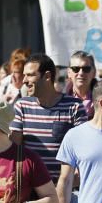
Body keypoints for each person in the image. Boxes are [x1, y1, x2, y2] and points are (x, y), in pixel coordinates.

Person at [11, 53, 86, 186]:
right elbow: (13, 150)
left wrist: (68, 184)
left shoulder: (74, 106)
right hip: (29, 189)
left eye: (30, 75)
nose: (24, 80)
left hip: (63, 190)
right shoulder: (21, 106)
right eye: (24, 75)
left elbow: (83, 150)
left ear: (47, 76)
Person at [64, 50, 96, 118]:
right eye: (75, 69)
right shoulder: (59, 98)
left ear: (94, 72)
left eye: (86, 69)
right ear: (69, 73)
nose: (81, 73)